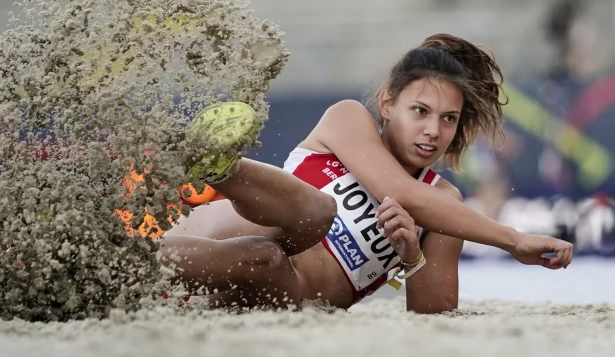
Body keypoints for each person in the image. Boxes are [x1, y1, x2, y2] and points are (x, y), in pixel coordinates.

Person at [159, 33, 574, 313]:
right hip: (208, 237)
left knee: (265, 257)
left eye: (449, 119)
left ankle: (134, 272)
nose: (433, 131)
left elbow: (435, 322)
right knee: (317, 210)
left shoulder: (446, 209)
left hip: (276, 292)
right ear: (388, 103)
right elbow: (404, 193)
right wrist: (514, 240)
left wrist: (413, 257)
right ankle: (213, 163)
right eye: (421, 112)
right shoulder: (348, 120)